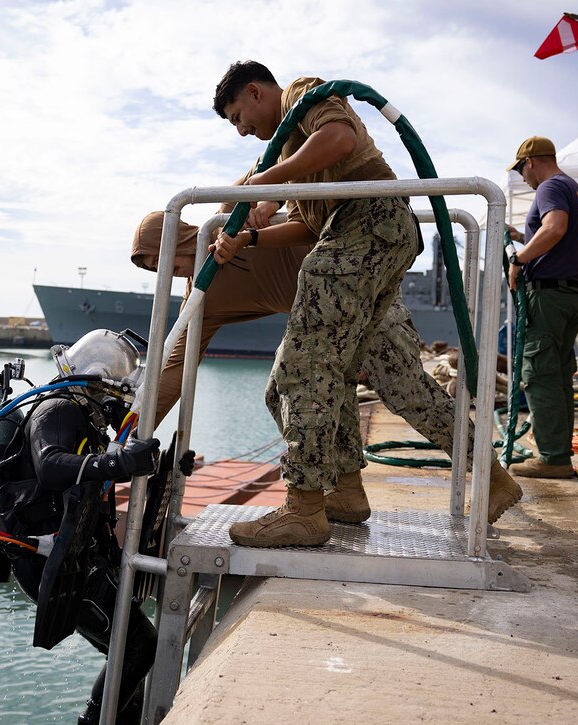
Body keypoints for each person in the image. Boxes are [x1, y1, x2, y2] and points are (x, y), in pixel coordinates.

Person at [202, 60, 517, 547]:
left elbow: (340, 139)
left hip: (366, 228)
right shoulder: (289, 153)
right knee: (394, 379)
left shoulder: (303, 98)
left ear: (255, 92)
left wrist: (267, 181)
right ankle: (359, 491)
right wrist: (252, 240)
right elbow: (310, 226)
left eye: (237, 116)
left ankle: (304, 507)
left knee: (300, 371)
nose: (241, 131)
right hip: (372, 235)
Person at [131, 210, 523, 527]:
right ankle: (346, 489)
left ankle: (493, 477)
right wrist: (130, 432)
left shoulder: (234, 224)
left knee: (410, 393)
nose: (164, 270)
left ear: (178, 238)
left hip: (362, 297)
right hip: (319, 322)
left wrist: (261, 204)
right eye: (151, 268)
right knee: (282, 392)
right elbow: (174, 371)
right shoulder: (201, 297)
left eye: (161, 259)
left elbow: (258, 172)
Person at [0, 329, 163, 724]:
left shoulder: (85, 417)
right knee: (138, 645)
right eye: (116, 393)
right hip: (51, 558)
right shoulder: (57, 410)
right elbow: (51, 466)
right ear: (98, 379)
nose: (118, 404)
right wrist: (119, 463)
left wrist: (158, 469)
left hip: (76, 552)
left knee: (127, 651)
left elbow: (95, 475)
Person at [505, 136, 578, 478]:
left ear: (530, 162)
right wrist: (523, 238)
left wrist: (519, 257)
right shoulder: (575, 189)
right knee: (557, 378)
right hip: (569, 295)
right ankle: (559, 454)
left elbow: (555, 228)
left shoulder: (550, 187)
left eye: (521, 170)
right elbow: (559, 238)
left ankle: (553, 458)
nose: (523, 179)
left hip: (548, 298)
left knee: (539, 376)